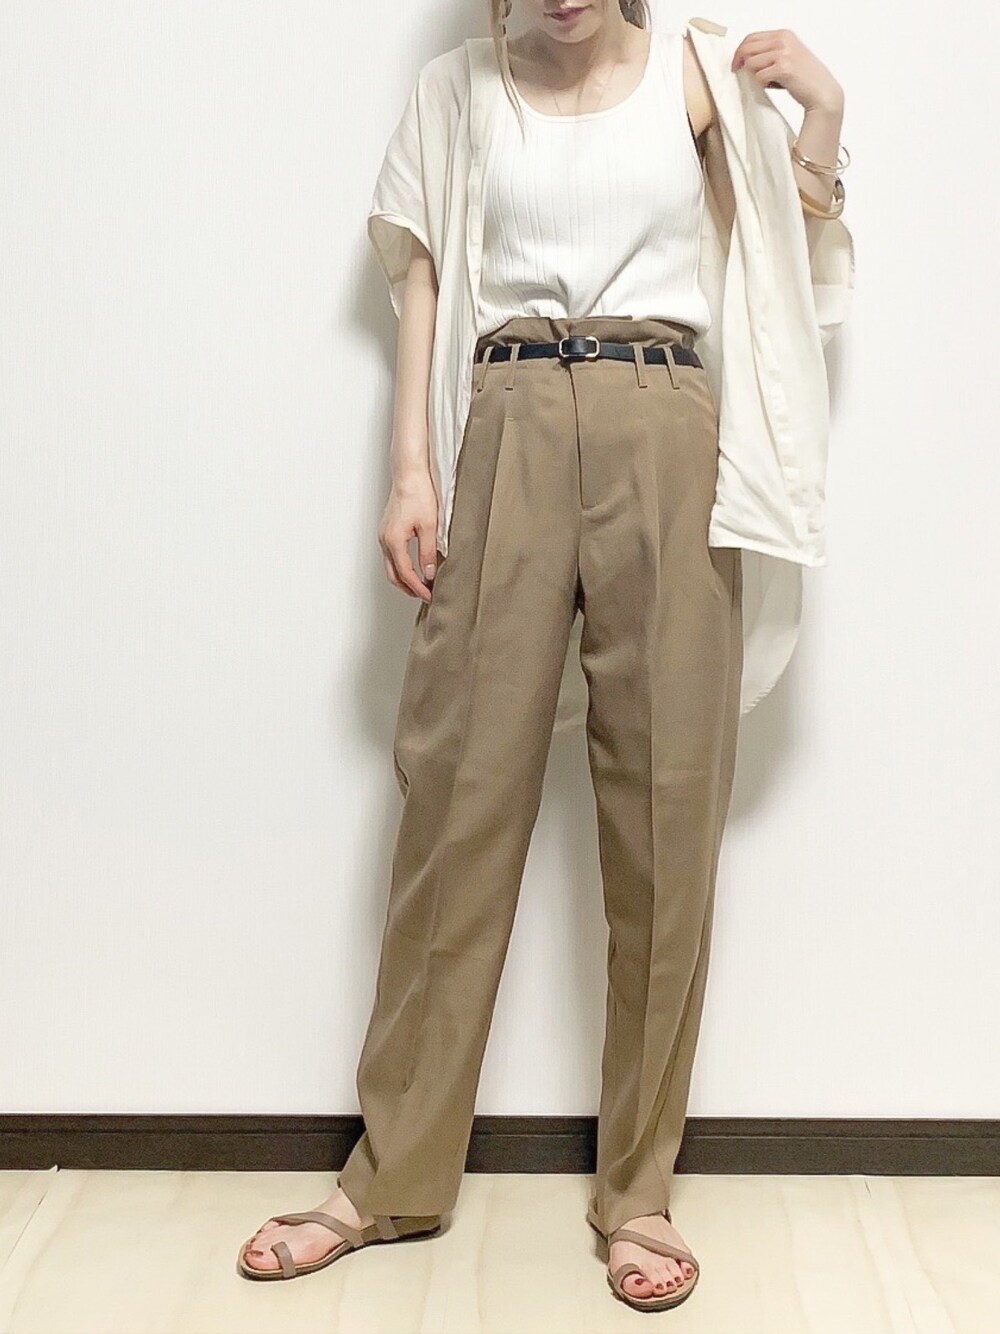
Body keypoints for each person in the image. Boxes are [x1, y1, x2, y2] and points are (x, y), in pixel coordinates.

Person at [238, 0, 852, 1314]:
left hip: (666, 424)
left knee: (667, 811)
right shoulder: (460, 89)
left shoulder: (692, 75)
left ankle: (640, 1191)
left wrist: (825, 114)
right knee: (454, 799)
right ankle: (390, 1175)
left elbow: (784, 255)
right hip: (505, 416)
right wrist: (411, 467)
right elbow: (423, 285)